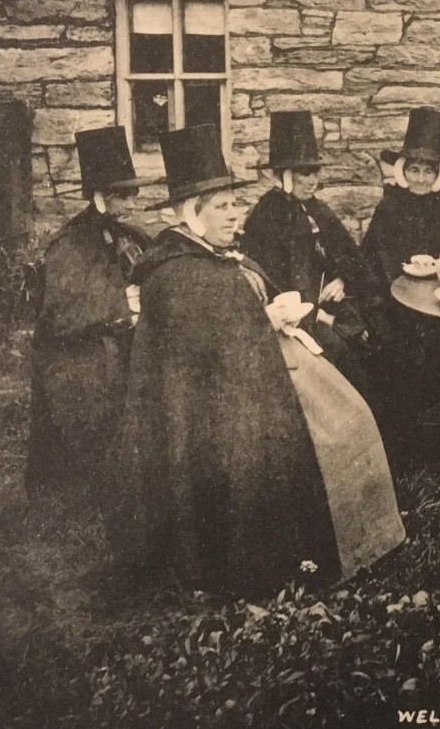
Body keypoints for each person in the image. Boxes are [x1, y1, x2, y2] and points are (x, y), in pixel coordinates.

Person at [110, 125, 403, 593]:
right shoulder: (177, 272)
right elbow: (207, 354)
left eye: (234, 204)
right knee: (334, 427)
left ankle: (361, 534)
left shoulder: (217, 255)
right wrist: (265, 319)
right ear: (191, 213)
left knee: (352, 413)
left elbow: (238, 319)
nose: (234, 215)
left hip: (261, 370)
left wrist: (271, 316)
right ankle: (323, 545)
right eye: (222, 207)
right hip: (218, 414)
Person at [27, 125, 157, 492]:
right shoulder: (70, 243)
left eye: (132, 195)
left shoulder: (129, 233)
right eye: (122, 196)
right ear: (101, 194)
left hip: (118, 333)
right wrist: (122, 309)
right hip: (74, 351)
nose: (130, 204)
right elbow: (63, 315)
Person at [240, 110, 385, 394]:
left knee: (381, 336)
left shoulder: (317, 208)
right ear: (283, 174)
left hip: (334, 304)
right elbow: (276, 289)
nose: (312, 180)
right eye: (304, 172)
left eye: (315, 171)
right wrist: (325, 316)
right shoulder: (264, 219)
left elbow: (350, 257)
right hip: (300, 320)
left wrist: (342, 279)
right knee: (344, 356)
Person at [361, 107, 440, 282]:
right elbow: (375, 257)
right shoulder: (388, 206)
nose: (421, 179)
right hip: (396, 289)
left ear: (437, 175)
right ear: (402, 173)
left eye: (428, 172)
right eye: (414, 170)